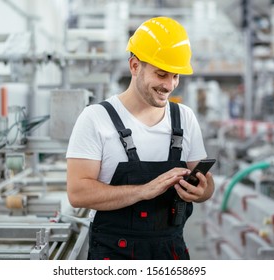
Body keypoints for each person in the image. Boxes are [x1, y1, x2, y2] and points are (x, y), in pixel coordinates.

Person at [66, 16, 215, 260]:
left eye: (176, 76)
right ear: (135, 66)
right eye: (161, 74)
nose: (170, 85)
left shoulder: (184, 118)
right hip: (114, 254)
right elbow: (78, 193)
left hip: (171, 252)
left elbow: (207, 186)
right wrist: (143, 190)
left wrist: (203, 191)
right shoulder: (95, 118)